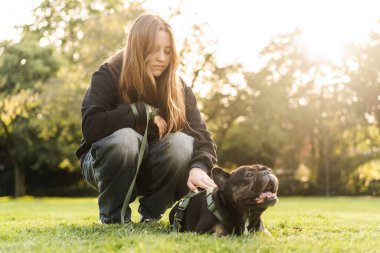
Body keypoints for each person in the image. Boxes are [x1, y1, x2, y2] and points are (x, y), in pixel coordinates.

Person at [75, 13, 217, 224]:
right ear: (137, 48)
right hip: (103, 164)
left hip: (151, 169)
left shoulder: (179, 88)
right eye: (153, 50)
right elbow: (91, 127)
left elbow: (203, 139)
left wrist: (199, 167)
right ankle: (114, 218)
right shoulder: (109, 73)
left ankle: (151, 216)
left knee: (181, 143)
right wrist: (138, 111)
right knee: (126, 139)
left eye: (167, 51)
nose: (161, 58)